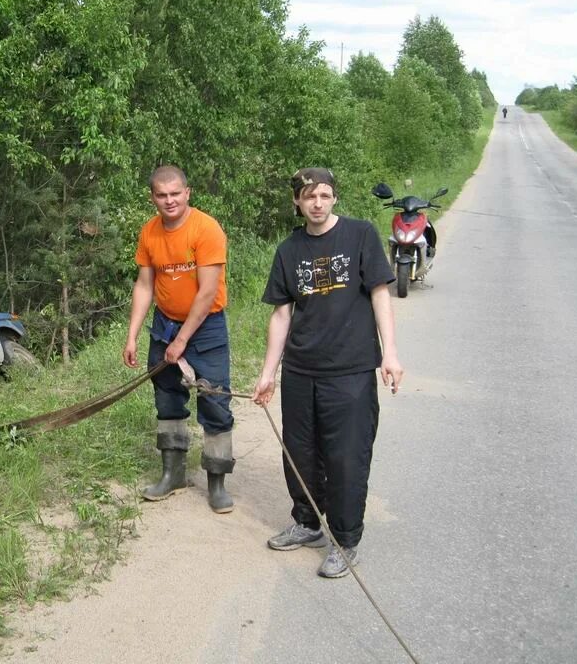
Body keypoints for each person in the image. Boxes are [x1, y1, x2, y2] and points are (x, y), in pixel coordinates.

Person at [252, 167, 403, 578]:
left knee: (346, 457)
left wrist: (389, 353)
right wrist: (269, 372)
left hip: (350, 371)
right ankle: (307, 523)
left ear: (334, 197)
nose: (317, 203)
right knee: (299, 453)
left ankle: (345, 539)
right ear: (297, 203)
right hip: (302, 370)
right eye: (308, 196)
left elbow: (379, 293)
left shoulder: (360, 235)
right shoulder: (288, 250)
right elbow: (282, 314)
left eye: (324, 195)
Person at [123, 165, 235, 514]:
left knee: (215, 400)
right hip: (164, 325)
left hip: (206, 328)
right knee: (168, 400)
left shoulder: (206, 229)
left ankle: (217, 483)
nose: (169, 200)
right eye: (162, 194)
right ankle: (173, 474)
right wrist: (132, 336)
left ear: (188, 192)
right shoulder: (149, 232)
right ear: (153, 197)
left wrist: (182, 341)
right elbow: (144, 285)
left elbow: (207, 293)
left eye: (175, 193)